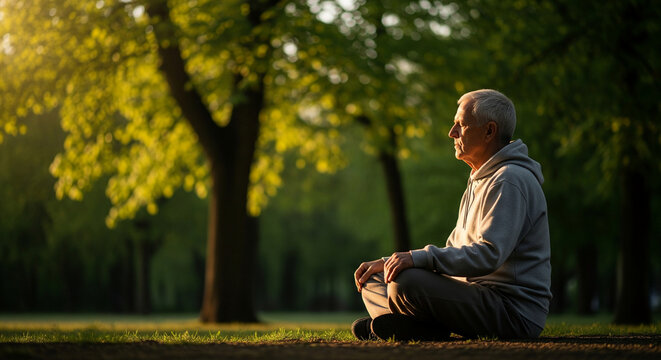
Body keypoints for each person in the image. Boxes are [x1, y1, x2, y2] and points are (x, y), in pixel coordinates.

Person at [352, 89, 552, 341]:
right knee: (376, 278)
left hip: (512, 312)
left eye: (461, 125)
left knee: (405, 282)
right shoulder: (480, 179)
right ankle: (416, 329)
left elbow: (489, 254)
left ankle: (404, 326)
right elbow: (455, 252)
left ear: (489, 131)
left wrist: (417, 259)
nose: (452, 132)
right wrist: (389, 261)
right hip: (474, 297)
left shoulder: (509, 179)